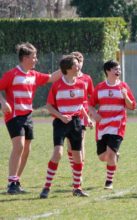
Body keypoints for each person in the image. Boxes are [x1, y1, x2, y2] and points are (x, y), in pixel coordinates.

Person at [0, 42, 62, 194]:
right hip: (13, 116)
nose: (36, 60)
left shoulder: (33, 75)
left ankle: (15, 181)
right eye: (34, 57)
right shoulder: (12, 74)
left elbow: (52, 77)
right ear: (25, 58)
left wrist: (68, 65)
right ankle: (12, 182)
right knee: (19, 146)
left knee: (26, 149)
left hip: (27, 116)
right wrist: (3, 102)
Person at [39, 55, 92, 198]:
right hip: (60, 123)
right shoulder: (57, 85)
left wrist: (87, 118)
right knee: (58, 154)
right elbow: (49, 106)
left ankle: (77, 188)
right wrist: (61, 116)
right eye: (75, 64)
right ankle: (46, 187)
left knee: (77, 157)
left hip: (76, 123)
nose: (78, 66)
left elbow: (81, 105)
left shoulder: (82, 84)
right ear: (68, 68)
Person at [88, 60, 136, 189]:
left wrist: (125, 96)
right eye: (115, 69)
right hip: (102, 125)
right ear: (108, 71)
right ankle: (115, 155)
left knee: (110, 154)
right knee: (102, 157)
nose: (118, 71)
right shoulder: (100, 87)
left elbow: (132, 106)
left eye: (119, 69)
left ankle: (109, 182)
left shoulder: (124, 86)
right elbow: (90, 104)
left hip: (118, 124)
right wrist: (94, 115)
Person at [66, 51, 94, 173]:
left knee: (80, 141)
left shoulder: (87, 78)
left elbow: (92, 97)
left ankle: (79, 172)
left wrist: (90, 113)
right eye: (75, 61)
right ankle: (75, 170)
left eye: (80, 61)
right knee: (69, 145)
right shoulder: (66, 78)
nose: (78, 64)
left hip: (82, 114)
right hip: (68, 113)